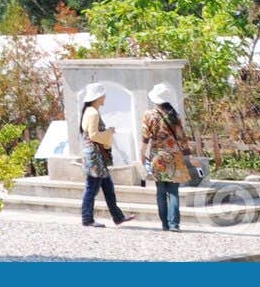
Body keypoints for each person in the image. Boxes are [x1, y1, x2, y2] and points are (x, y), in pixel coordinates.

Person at [78, 82, 136, 227]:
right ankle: (87, 218)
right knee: (92, 188)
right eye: (103, 95)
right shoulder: (93, 112)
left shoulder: (89, 111)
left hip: (94, 155)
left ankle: (117, 216)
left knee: (108, 187)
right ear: (98, 97)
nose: (105, 98)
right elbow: (94, 135)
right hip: (95, 156)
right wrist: (109, 132)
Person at [139, 82, 193, 232]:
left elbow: (145, 138)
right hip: (175, 156)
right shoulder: (175, 115)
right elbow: (182, 138)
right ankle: (174, 223)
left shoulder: (149, 115)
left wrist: (142, 154)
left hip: (158, 156)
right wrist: (188, 156)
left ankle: (165, 224)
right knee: (174, 191)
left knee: (161, 191)